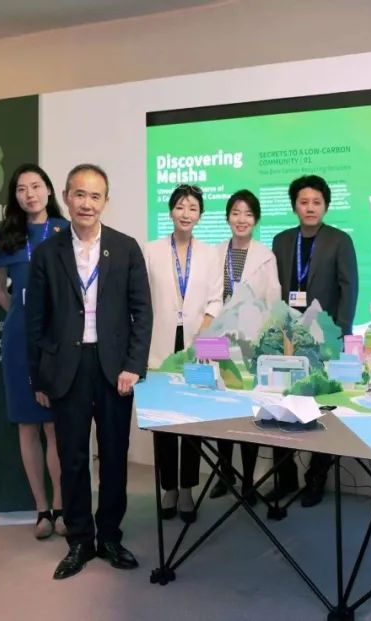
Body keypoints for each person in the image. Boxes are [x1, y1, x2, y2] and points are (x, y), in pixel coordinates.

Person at [26, 164, 152, 580]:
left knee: (114, 456)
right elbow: (35, 320)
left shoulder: (126, 247)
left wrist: (134, 365)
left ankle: (110, 536)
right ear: (66, 197)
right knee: (73, 457)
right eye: (79, 194)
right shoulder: (48, 252)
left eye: (95, 196)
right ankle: (80, 540)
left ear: (106, 202)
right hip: (68, 368)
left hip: (114, 368)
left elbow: (142, 312)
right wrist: (40, 378)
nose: (86, 203)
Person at [0, 164, 70, 539]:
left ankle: (64, 506)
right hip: (20, 338)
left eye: (36, 186)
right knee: (28, 425)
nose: (30, 194)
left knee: (55, 425)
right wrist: (23, 317)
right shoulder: (5, 236)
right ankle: (42, 510)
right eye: (22, 189)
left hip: (59, 339)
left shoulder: (66, 230)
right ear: (15, 196)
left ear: (49, 190)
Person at [268, 174, 358, 508]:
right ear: (294, 206)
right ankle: (285, 477)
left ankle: (316, 478)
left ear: (326, 206)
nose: (310, 208)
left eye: (316, 202)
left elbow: (349, 289)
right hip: (286, 339)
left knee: (321, 410)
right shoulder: (281, 241)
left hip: (324, 339)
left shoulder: (339, 240)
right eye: (304, 202)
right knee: (280, 407)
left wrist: (341, 335)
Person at [145, 184, 221, 523]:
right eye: (180, 207)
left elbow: (216, 300)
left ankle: (188, 488)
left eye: (192, 208)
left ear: (200, 215)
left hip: (196, 345)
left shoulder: (210, 254)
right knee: (164, 421)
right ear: (170, 211)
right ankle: (169, 488)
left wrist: (202, 335)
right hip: (159, 345)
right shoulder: (151, 251)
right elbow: (142, 299)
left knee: (192, 417)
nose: (186, 213)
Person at [207, 189, 280, 504]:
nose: (241, 219)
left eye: (248, 214)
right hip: (220, 340)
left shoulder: (265, 256)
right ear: (227, 217)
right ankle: (225, 473)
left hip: (251, 342)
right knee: (221, 410)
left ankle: (248, 480)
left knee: (248, 412)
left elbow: (273, 299)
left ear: (256, 219)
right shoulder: (215, 253)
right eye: (236, 213)